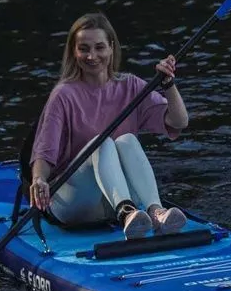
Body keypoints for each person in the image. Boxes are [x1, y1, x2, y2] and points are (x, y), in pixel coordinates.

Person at [27, 12, 189, 239]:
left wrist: (169, 84)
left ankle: (155, 211)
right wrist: (39, 179)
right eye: (84, 48)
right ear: (74, 52)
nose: (92, 56)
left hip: (111, 200)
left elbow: (179, 122)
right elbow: (44, 151)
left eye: (99, 47)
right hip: (73, 203)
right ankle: (126, 212)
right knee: (101, 143)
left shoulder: (131, 86)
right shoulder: (63, 95)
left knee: (127, 140)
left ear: (111, 48)